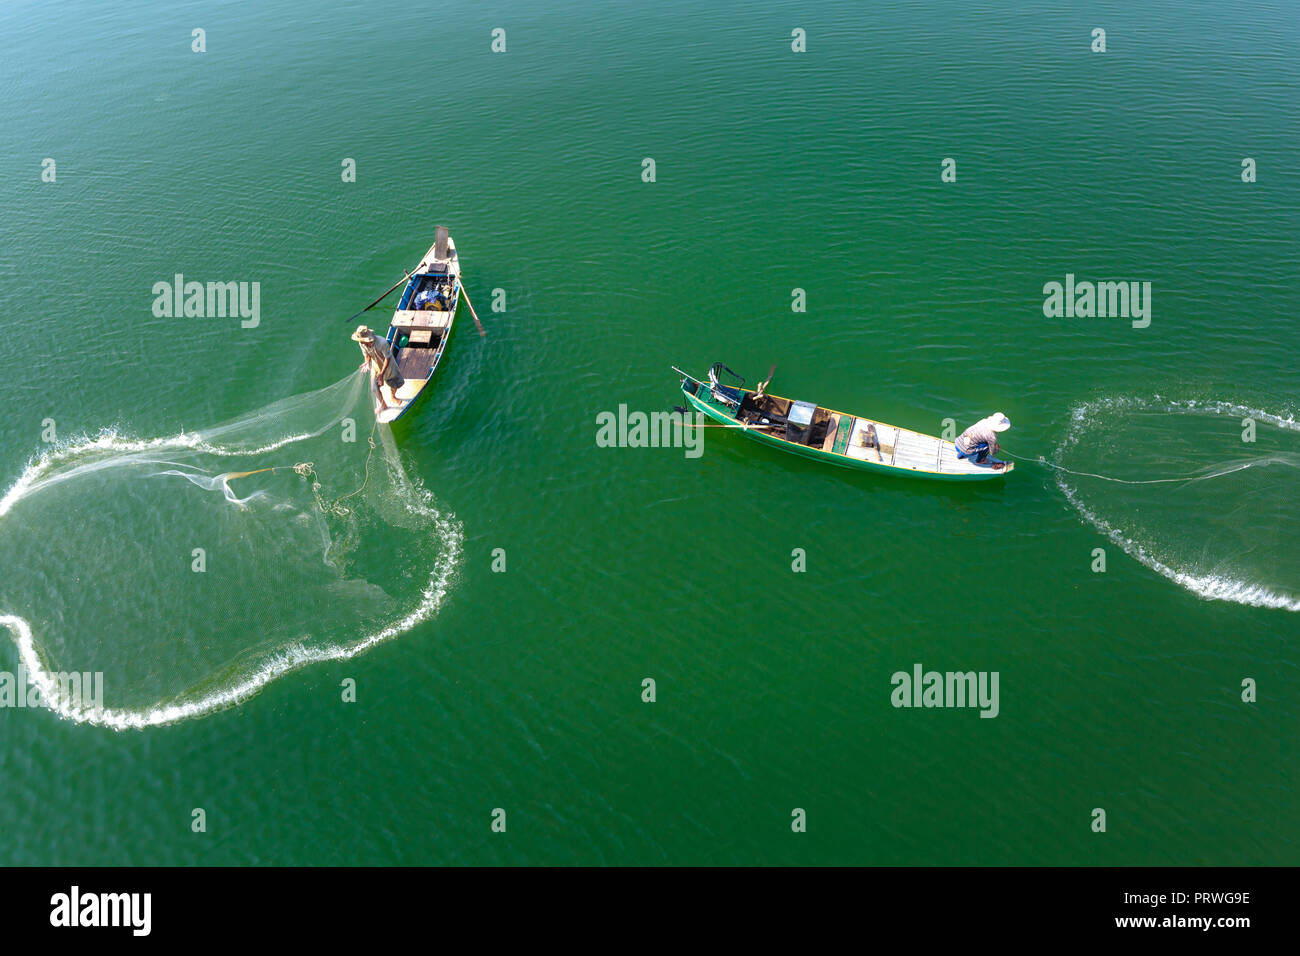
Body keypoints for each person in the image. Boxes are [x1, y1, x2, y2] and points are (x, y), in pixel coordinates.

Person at [351, 325, 405, 410]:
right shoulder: (362, 344)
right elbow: (367, 355)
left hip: (388, 366)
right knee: (374, 388)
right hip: (375, 366)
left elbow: (387, 358)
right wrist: (366, 362)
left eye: (361, 340)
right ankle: (383, 405)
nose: (360, 342)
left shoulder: (382, 343)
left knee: (393, 384)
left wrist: (381, 374)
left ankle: (393, 397)